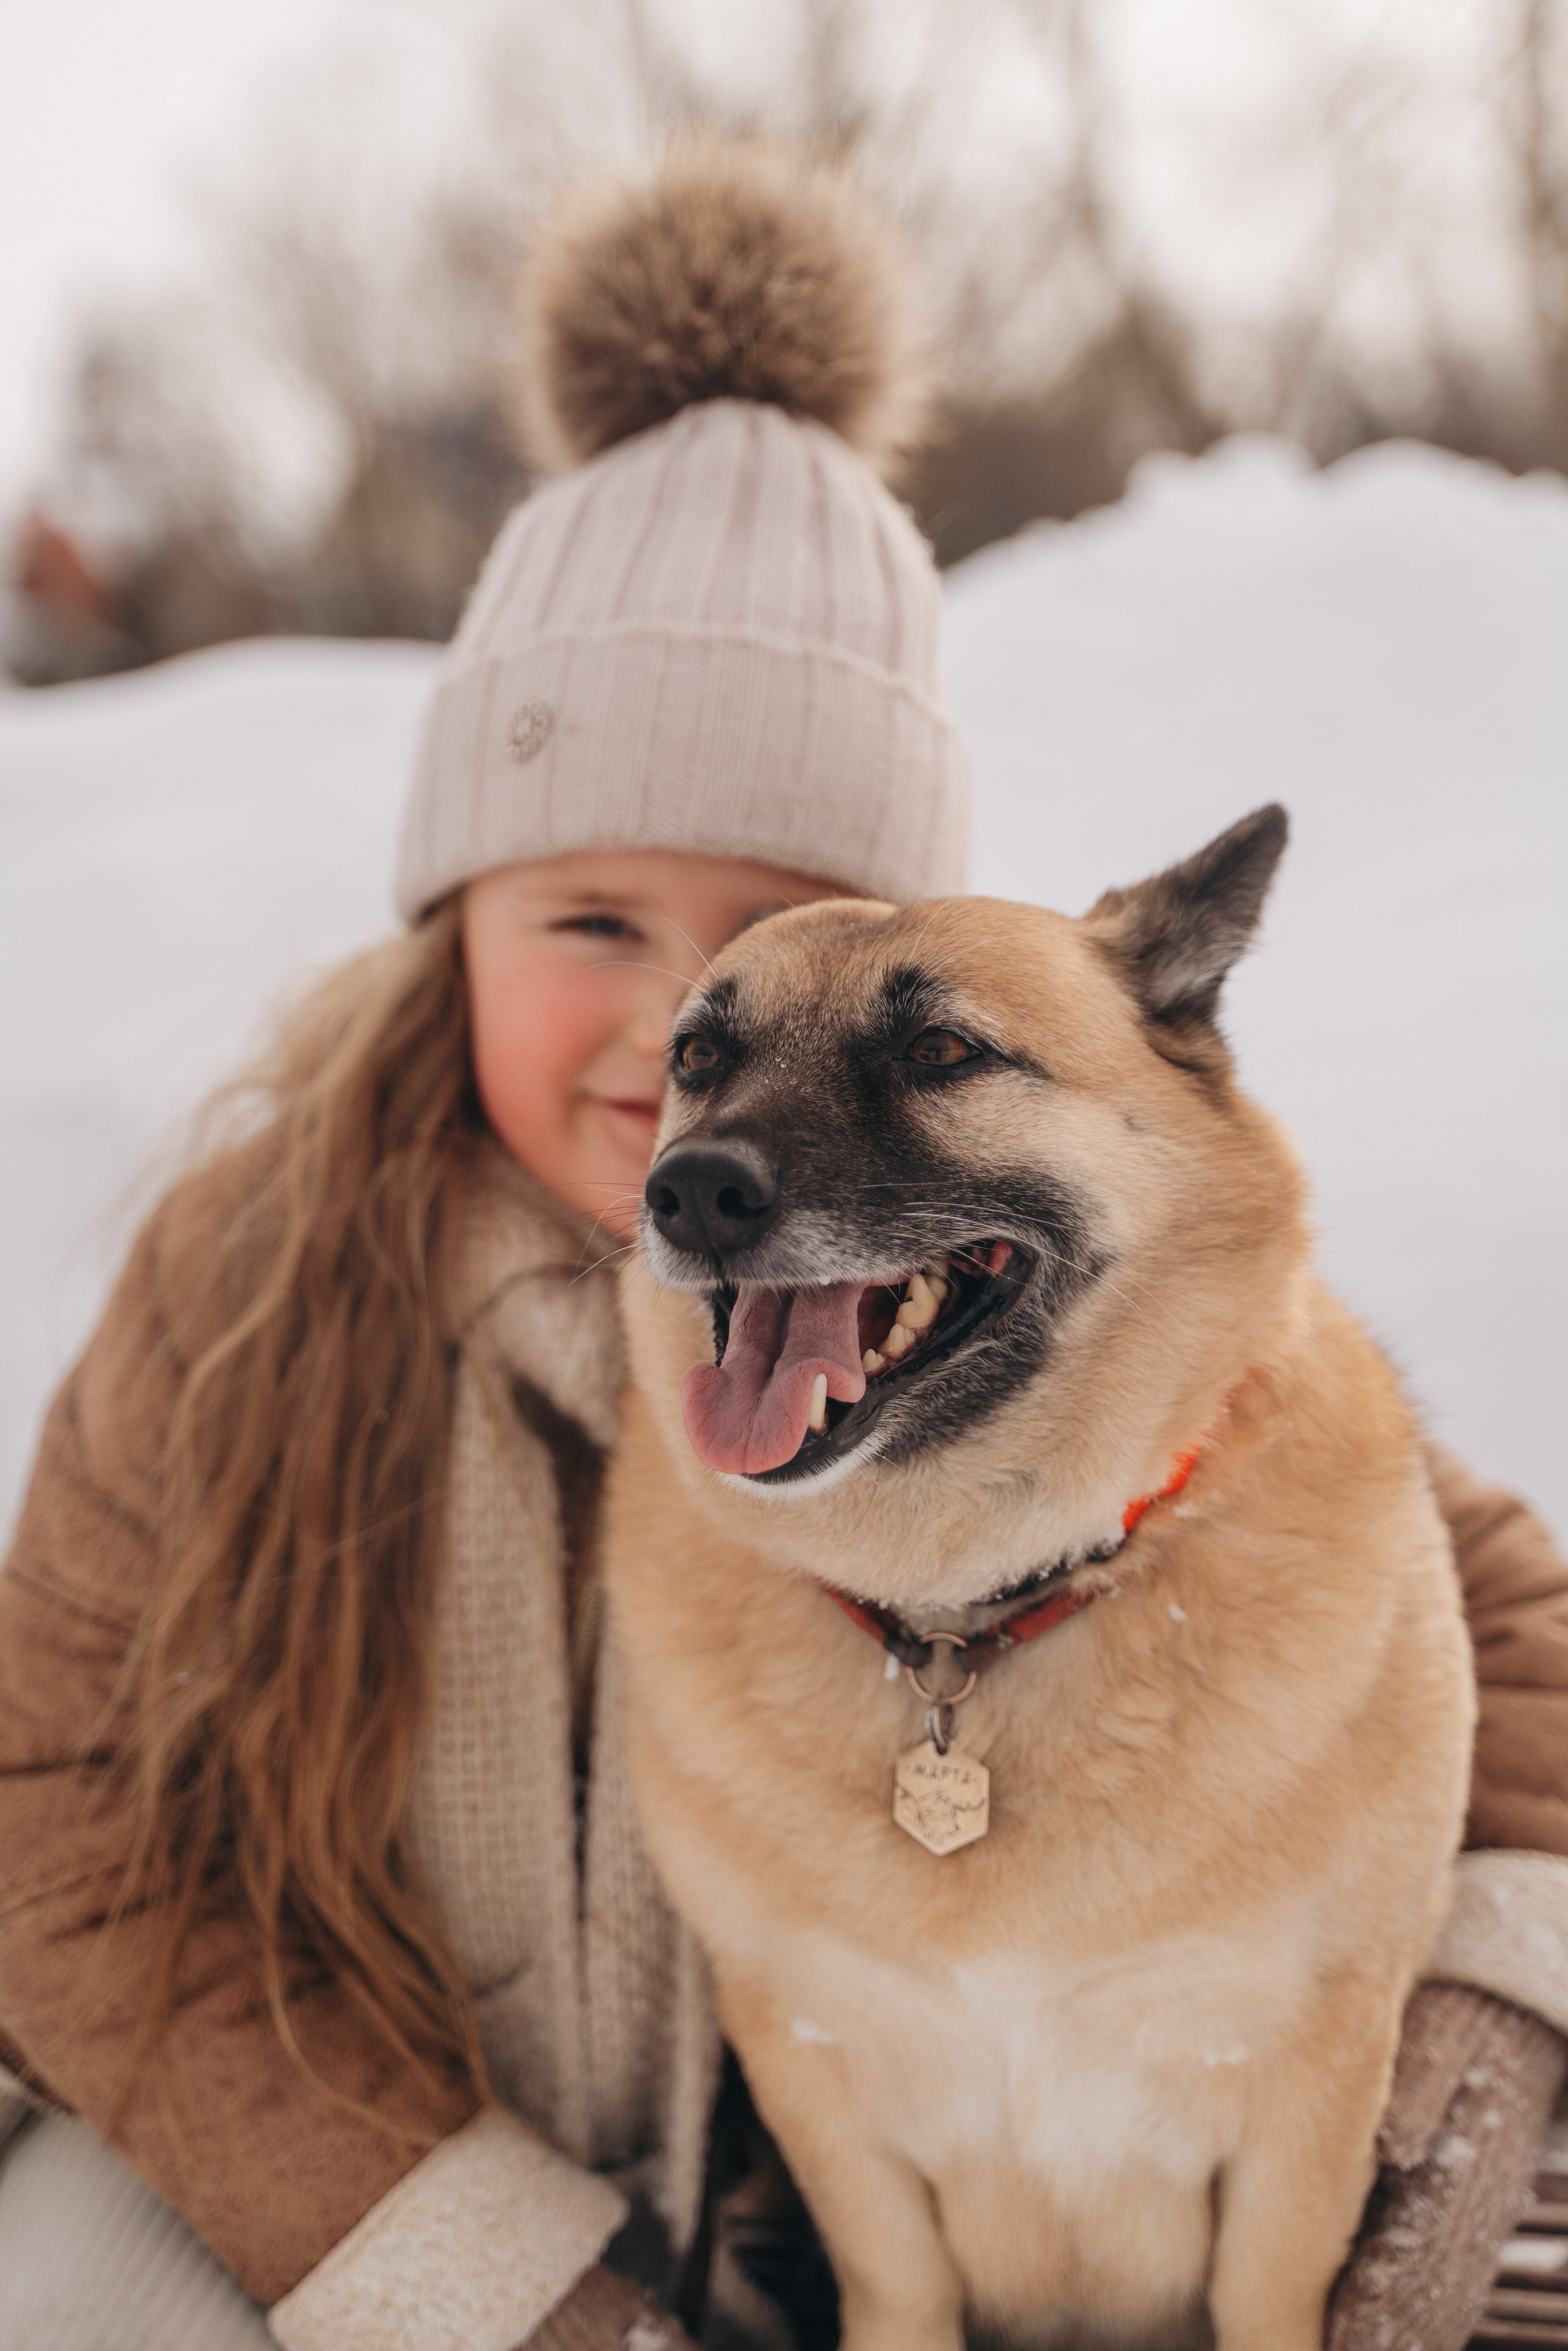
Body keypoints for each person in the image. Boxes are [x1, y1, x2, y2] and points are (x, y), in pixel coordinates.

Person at [1, 140, 1566, 2351]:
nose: (674, 1053)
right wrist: (492, 2282)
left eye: (752, 949)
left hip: (830, 2219)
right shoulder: (251, 1288)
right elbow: (47, 1832)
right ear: (456, 926)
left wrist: (1469, 2057)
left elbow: (1486, 1612)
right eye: (590, 927)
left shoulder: (1077, 1323)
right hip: (328, 2165)